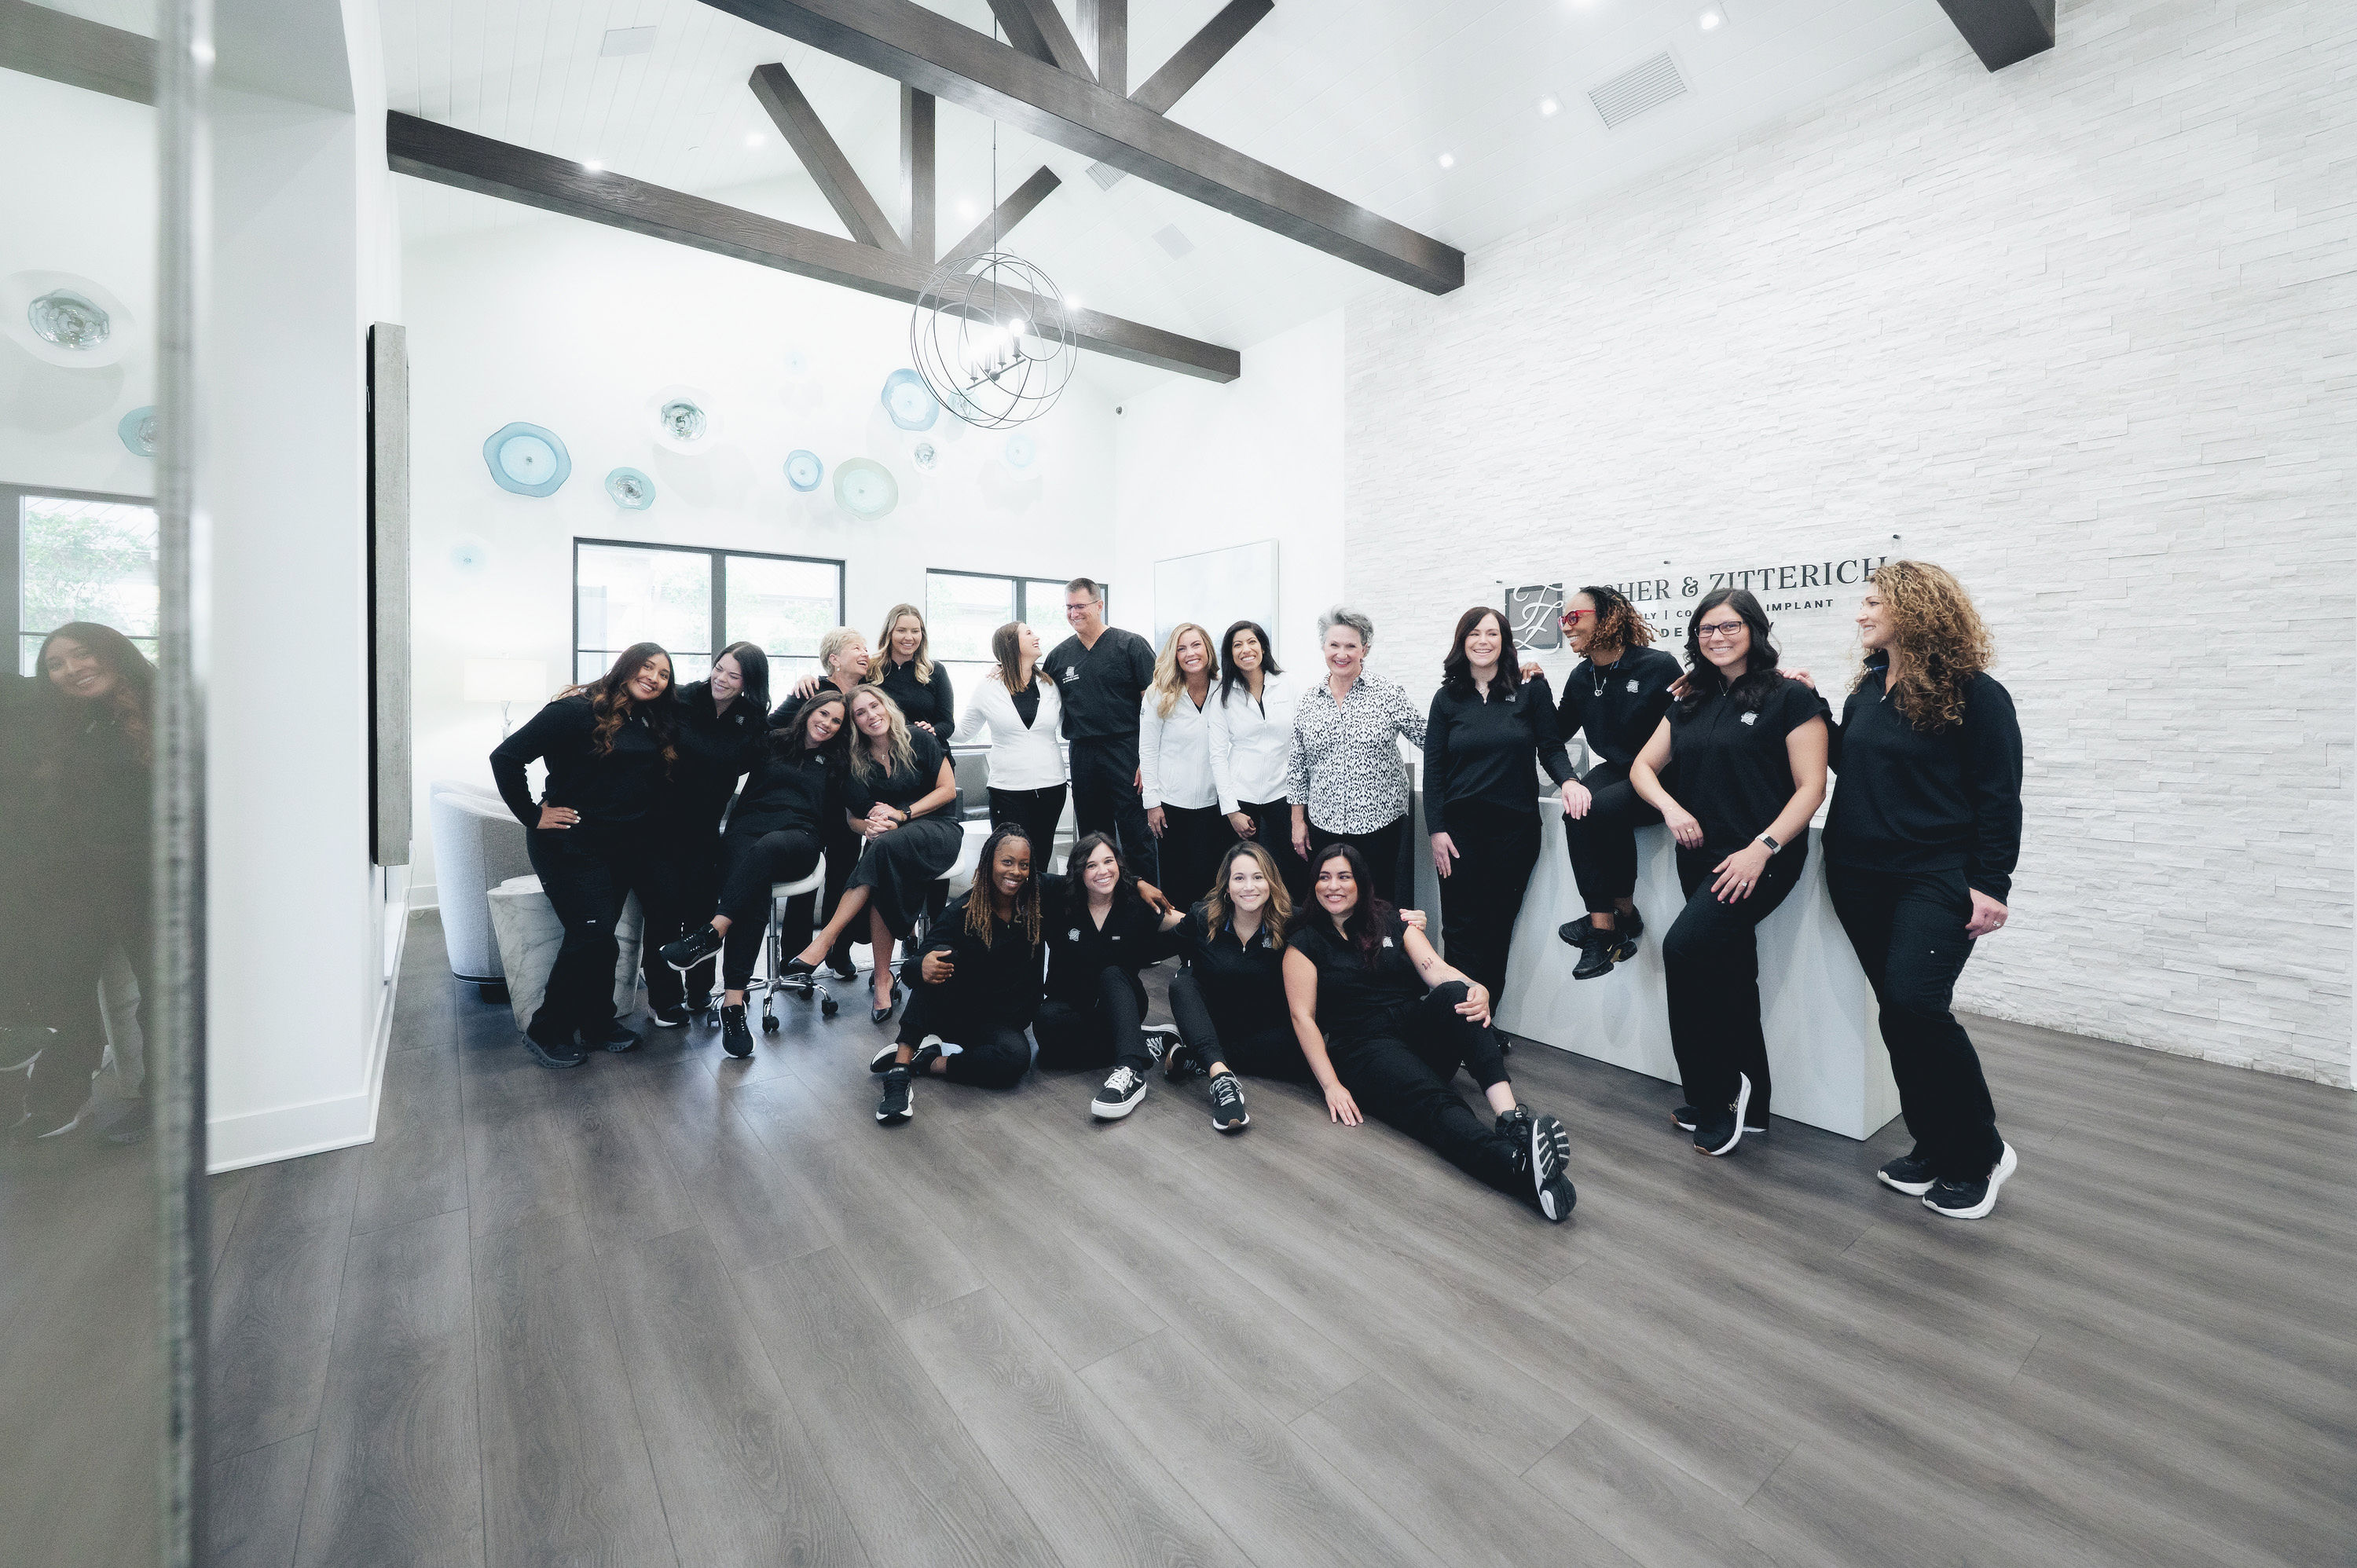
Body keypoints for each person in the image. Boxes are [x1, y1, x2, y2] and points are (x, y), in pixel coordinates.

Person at [1811, 562, 2022, 1220]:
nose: (1861, 613)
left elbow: (1999, 797)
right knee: (1897, 1012)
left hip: (1934, 876)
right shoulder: (1868, 689)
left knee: (1916, 1002)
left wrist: (1991, 883)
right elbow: (1859, 763)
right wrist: (1814, 708)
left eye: (1873, 602)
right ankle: (1934, 1142)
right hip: (1857, 873)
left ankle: (1982, 1152)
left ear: (1915, 609)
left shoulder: (1976, 695)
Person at [1626, 589, 1828, 1155]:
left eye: (1729, 626)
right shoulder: (1688, 699)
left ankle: (1717, 1094)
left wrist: (1762, 847)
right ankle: (1754, 1099)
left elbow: (1813, 786)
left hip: (1761, 859)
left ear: (1754, 629)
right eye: (1706, 629)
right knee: (1733, 971)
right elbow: (1644, 765)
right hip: (1700, 857)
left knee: (1683, 951)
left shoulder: (1790, 697)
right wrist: (1670, 807)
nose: (1716, 637)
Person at [1282, 843, 1576, 1221]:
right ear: (1314, 885)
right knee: (1437, 1104)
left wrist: (1478, 987)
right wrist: (1331, 1085)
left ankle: (1512, 1121)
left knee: (1457, 994)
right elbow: (1302, 1017)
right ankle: (1516, 1167)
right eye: (1324, 878)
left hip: (1411, 1027)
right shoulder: (1304, 942)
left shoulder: (1387, 918)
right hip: (1364, 1049)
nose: (1333, 886)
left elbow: (1435, 969)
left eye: (1344, 877)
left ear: (1361, 882)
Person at [490, 643, 684, 1068]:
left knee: (602, 938)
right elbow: (506, 757)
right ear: (626, 666)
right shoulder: (574, 710)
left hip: (620, 847)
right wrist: (531, 814)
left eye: (664, 674)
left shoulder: (647, 717)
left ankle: (598, 1024)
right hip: (569, 844)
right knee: (592, 934)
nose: (654, 677)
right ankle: (547, 1029)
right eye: (647, 667)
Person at [1160, 839, 1428, 1134]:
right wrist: (1137, 888)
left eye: (1258, 877)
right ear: (1227, 887)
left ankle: (1198, 1057)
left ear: (1271, 883)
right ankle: (1221, 1078)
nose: (1249, 886)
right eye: (1239, 878)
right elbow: (1154, 940)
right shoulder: (1203, 917)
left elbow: (1348, 921)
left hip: (1268, 1031)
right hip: (1215, 1021)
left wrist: (1401, 923)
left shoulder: (1294, 921)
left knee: (1312, 1053)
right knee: (1182, 983)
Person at [4, 623, 155, 1142]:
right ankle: (60, 1092)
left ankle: (162, 1104)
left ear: (112, 652)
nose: (71, 669)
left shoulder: (163, 707)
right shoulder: (64, 721)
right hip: (81, 881)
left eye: (82, 655)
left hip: (146, 880)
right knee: (60, 978)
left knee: (160, 992)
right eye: (56, 664)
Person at [659, 691, 848, 1057]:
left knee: (764, 853)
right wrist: (795, 695)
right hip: (747, 830)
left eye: (837, 720)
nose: (827, 723)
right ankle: (734, 1005)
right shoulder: (772, 742)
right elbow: (726, 759)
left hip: (799, 839)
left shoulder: (838, 761)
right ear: (809, 712)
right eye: (822, 713)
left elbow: (856, 803)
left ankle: (714, 930)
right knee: (753, 887)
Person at [1424, 606, 1578, 1017]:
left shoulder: (1531, 689)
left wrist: (1569, 781)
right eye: (1474, 633)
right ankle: (1455, 1023)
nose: (1483, 641)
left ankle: (1484, 1024)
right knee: (1459, 931)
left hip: (1515, 831)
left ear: (1505, 642)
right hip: (1458, 834)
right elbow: (1434, 769)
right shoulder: (1447, 698)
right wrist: (1436, 830)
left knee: (1497, 928)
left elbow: (1550, 747)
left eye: (1492, 633)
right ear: (1462, 642)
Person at [786, 687, 962, 1021]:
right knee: (882, 855)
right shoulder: (855, 760)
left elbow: (947, 791)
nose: (871, 715)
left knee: (882, 853)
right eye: (860, 713)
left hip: (938, 830)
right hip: (887, 844)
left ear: (887, 705)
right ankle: (881, 977)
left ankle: (826, 940)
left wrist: (902, 814)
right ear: (854, 724)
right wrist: (868, 828)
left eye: (874, 706)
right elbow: (852, 819)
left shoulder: (918, 738)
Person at [874, 822, 1048, 1123]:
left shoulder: (1037, 898)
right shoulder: (963, 911)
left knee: (1016, 1060)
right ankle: (900, 1072)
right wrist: (924, 964)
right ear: (989, 863)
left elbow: (1084, 880)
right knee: (939, 958)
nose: (1015, 872)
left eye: (1024, 865)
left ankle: (927, 1062)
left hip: (1002, 1023)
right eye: (1007, 862)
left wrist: (1137, 882)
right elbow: (913, 968)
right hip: (959, 1012)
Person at [1552, 585, 1683, 980]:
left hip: (1664, 775)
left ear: (1607, 615)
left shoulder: (1656, 666)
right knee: (1578, 810)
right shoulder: (1581, 676)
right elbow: (1553, 733)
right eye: (1563, 620)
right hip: (1619, 769)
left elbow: (1689, 722)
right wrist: (1533, 689)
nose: (1566, 627)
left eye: (1574, 618)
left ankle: (1603, 930)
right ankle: (1619, 916)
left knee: (1597, 812)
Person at [1032, 833, 1186, 1121]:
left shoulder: (1134, 904)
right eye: (1091, 865)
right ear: (1079, 871)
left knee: (1113, 972)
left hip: (1121, 998)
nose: (1102, 871)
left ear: (1119, 864)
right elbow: (1027, 876)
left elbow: (1187, 922)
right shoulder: (1061, 897)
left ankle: (1131, 1070)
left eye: (1108, 861)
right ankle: (1135, 1039)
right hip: (1072, 1005)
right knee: (1047, 1034)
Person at [656, 641, 769, 1020]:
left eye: (733, 675)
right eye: (719, 668)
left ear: (747, 682)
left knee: (704, 910)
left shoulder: (751, 716)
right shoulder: (682, 699)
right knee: (665, 913)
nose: (721, 679)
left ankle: (701, 989)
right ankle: (664, 999)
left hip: (707, 826)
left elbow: (773, 744)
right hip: (662, 822)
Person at [1286, 606, 1424, 903]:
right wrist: (1298, 822)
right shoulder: (1308, 701)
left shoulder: (1388, 693)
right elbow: (1298, 767)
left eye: (1351, 646)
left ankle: (1375, 951)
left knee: (1377, 901)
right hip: (1324, 823)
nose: (1342, 653)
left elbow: (1429, 738)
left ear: (1365, 649)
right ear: (1323, 647)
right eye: (1334, 645)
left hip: (1381, 822)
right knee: (1331, 899)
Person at [773, 626, 874, 982]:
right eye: (857, 648)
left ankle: (838, 950)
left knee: (844, 879)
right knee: (807, 880)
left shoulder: (865, 693)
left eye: (866, 647)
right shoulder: (813, 689)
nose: (866, 652)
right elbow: (774, 729)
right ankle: (796, 959)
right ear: (834, 658)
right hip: (812, 801)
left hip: (849, 801)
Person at [1042, 577, 1158, 875]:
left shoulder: (1131, 645)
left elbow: (1154, 710)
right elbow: (1034, 692)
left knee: (1136, 833)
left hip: (1127, 750)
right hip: (1083, 752)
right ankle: (1098, 903)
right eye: (1069, 607)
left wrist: (1149, 760)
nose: (1074, 613)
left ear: (1099, 605)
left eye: (1080, 606)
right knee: (1093, 837)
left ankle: (1145, 908)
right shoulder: (1059, 656)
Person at [950, 621, 1067, 862]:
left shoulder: (1050, 685)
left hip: (1051, 787)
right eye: (1028, 633)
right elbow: (962, 732)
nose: (1037, 637)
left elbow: (1068, 725)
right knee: (1009, 859)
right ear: (1012, 644)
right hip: (1008, 791)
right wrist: (933, 724)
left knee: (1041, 858)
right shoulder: (988, 687)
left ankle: (1038, 901)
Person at [1206, 619, 1306, 900]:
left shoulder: (1288, 685)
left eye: (1252, 642)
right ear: (1230, 654)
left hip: (1284, 794)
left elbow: (1302, 743)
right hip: (1240, 797)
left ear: (1263, 647)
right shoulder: (1222, 694)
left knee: (1289, 873)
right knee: (1240, 876)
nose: (1245, 649)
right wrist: (1231, 810)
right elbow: (1217, 755)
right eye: (1237, 645)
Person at [1141, 621, 1230, 908]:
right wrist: (1152, 803)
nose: (1190, 653)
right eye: (1182, 648)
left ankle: (1209, 944)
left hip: (1215, 804)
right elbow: (1148, 750)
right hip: (1171, 806)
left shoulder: (1225, 689)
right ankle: (1182, 947)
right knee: (1177, 880)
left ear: (1208, 649)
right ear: (1174, 655)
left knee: (1213, 880)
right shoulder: (1159, 693)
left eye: (1196, 645)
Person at [868, 603, 956, 736]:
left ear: (922, 635)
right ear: (889, 633)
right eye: (901, 630)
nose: (909, 637)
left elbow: (947, 724)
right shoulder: (871, 670)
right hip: (882, 751)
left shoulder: (935, 671)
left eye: (915, 631)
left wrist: (931, 731)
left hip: (926, 748)